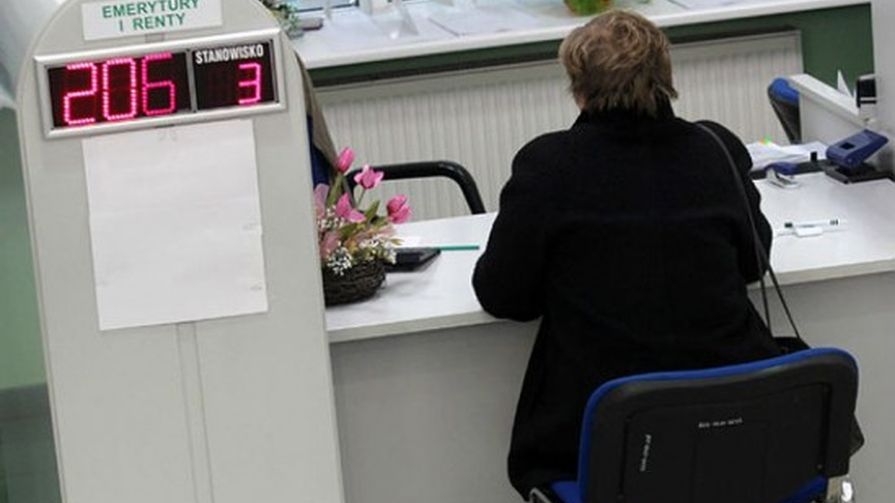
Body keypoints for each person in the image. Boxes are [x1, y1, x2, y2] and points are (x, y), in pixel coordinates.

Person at [471, 10, 782, 500]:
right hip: (737, 435)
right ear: (666, 77)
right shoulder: (714, 148)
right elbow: (752, 261)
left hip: (602, 448)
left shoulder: (549, 166)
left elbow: (503, 295)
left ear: (579, 89)